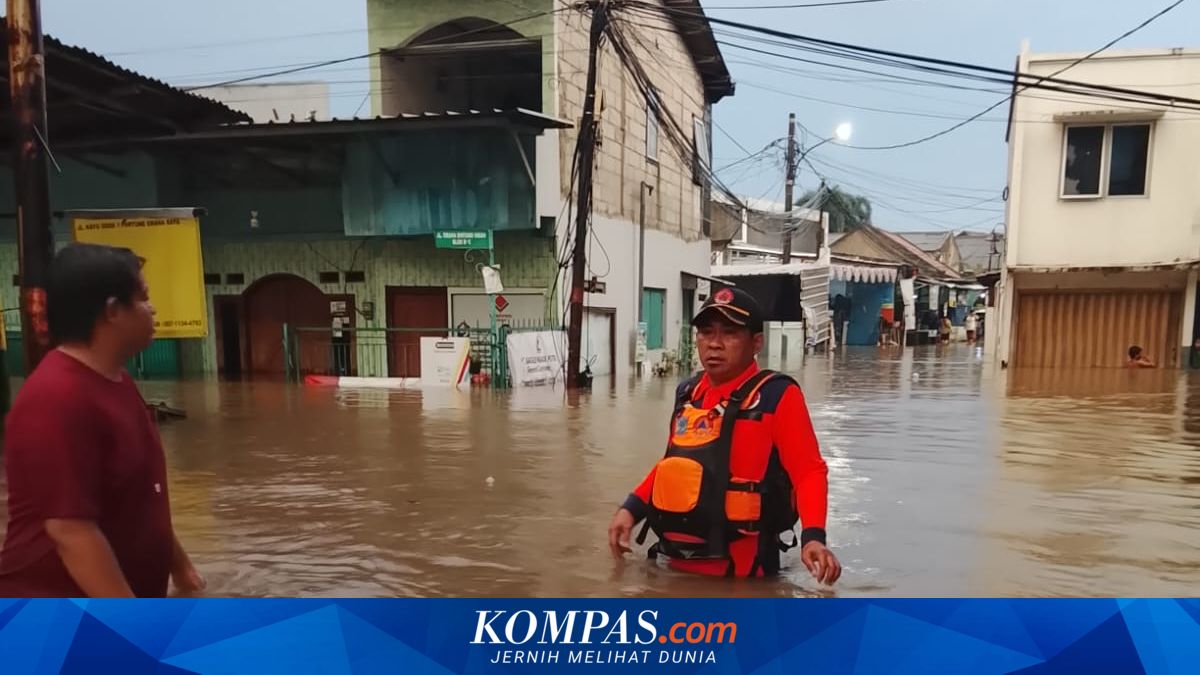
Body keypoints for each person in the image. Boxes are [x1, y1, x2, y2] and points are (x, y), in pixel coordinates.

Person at [0, 243, 205, 597]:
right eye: (143, 298)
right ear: (112, 311)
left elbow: (142, 497)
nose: (152, 308)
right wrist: (132, 628)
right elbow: (71, 531)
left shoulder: (116, 380)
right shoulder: (56, 397)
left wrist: (184, 573)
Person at [607, 287, 840, 584]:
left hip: (743, 578)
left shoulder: (777, 396)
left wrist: (813, 537)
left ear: (756, 342)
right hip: (673, 567)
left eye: (729, 333)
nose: (714, 344)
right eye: (706, 332)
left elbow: (808, 471)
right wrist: (630, 509)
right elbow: (673, 464)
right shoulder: (689, 394)